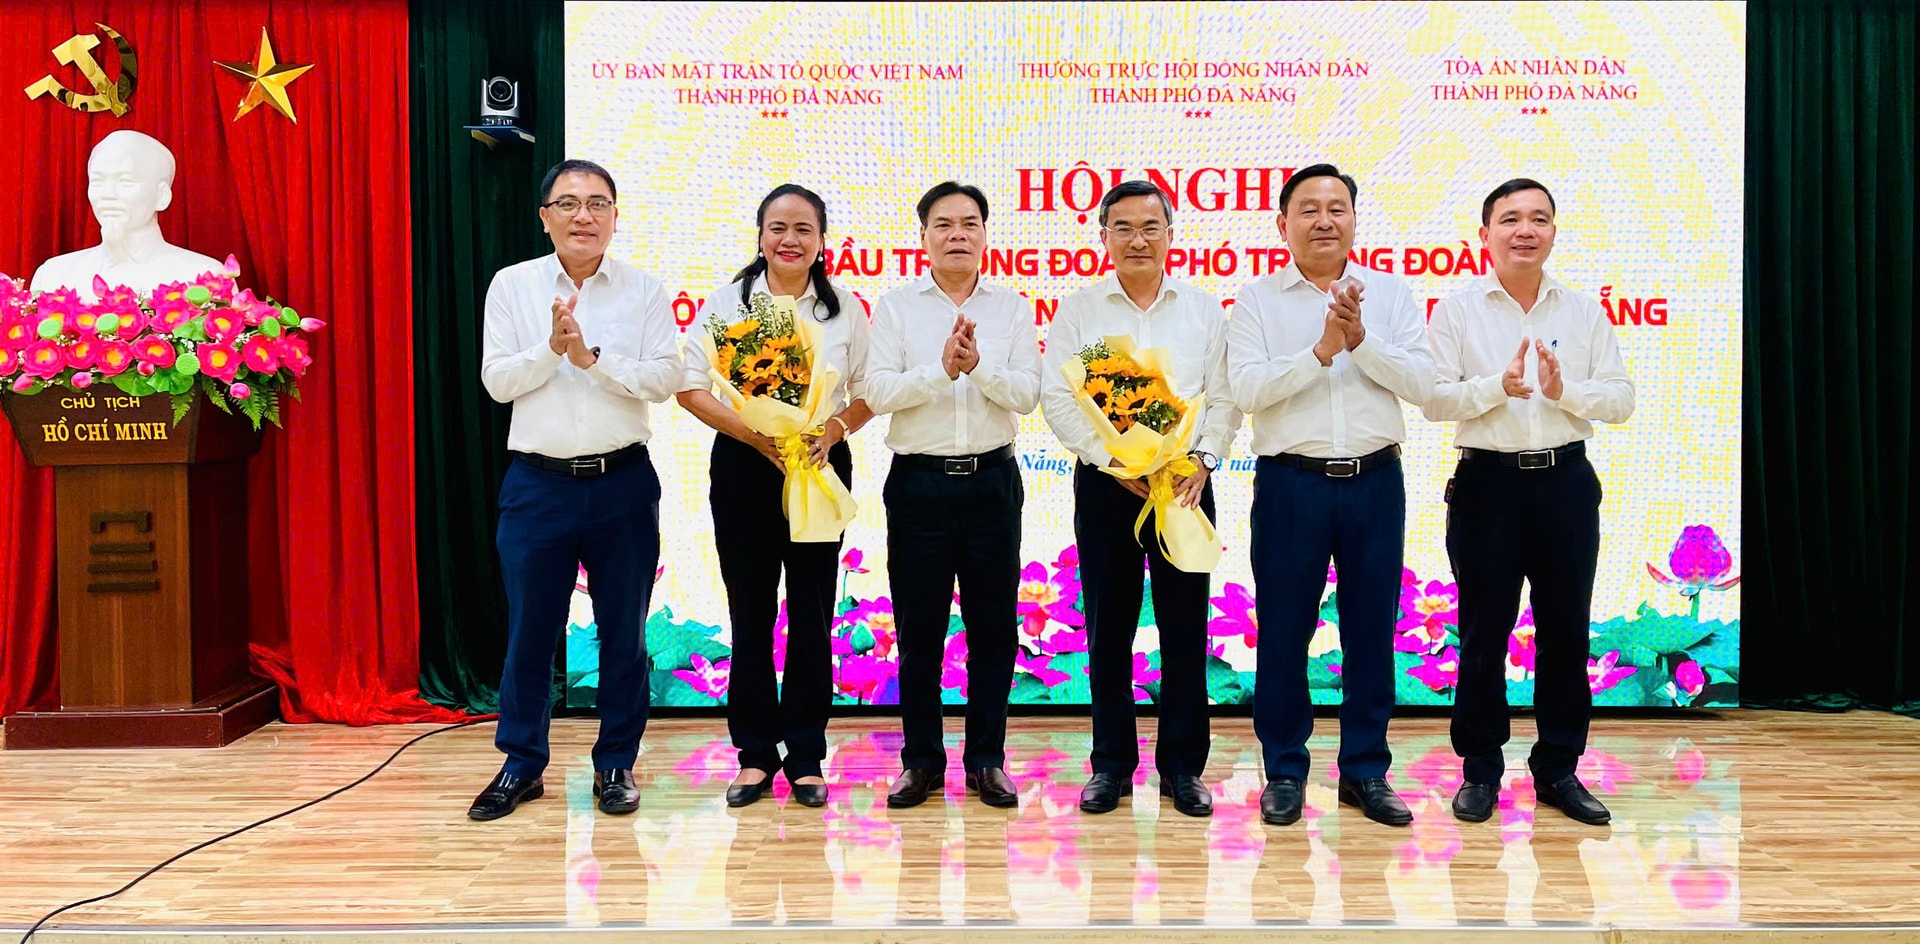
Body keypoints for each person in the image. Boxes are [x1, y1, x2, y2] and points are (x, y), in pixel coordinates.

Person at [469, 159, 681, 820]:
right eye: (567, 203)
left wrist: (592, 360)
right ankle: (521, 763)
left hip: (623, 483)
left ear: (615, 216)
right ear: (545, 217)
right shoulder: (513, 285)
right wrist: (552, 350)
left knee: (624, 634)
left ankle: (616, 763)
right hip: (538, 485)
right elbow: (498, 382)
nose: (582, 216)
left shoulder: (644, 290)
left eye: (597, 204)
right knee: (530, 632)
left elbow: (665, 379)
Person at [1226, 163, 1434, 828]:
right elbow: (1247, 390)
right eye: (1308, 209)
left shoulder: (1390, 294)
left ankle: (1366, 771)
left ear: (1354, 219)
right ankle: (1285, 771)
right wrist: (1321, 351)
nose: (1324, 221)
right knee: (1284, 632)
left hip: (1375, 481)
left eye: (1336, 208)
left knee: (1371, 631)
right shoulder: (1257, 301)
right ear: (1282, 223)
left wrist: (1361, 342)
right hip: (1291, 484)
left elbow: (1424, 386)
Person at [1425, 178, 1634, 826]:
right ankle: (1480, 769)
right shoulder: (1457, 311)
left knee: (1566, 633)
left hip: (1564, 484)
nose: (1525, 230)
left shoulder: (1583, 311)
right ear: (1484, 234)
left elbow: (1621, 399)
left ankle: (1559, 769)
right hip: (1487, 487)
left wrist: (1566, 392)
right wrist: (1498, 385)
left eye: (1539, 219)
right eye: (1511, 218)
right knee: (1483, 634)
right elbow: (1434, 400)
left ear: (1552, 232)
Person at [1039, 180, 1240, 818]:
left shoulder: (1203, 310)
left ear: (1170, 235)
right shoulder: (1079, 312)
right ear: (1103, 238)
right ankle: (1111, 765)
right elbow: (1058, 397)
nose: (1137, 240)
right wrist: (1107, 459)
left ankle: (1183, 768)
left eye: (1150, 227)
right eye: (1122, 228)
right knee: (1108, 629)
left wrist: (1205, 460)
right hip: (1109, 486)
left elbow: (1225, 397)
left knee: (1186, 629)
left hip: (1184, 486)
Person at [676, 183, 872, 809]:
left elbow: (869, 391)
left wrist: (833, 430)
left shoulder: (844, 310)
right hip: (745, 464)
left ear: (822, 241)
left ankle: (807, 755)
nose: (790, 239)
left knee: (813, 612)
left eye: (803, 229)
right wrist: (753, 436)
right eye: (778, 228)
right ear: (760, 237)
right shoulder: (727, 304)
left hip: (817, 464)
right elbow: (689, 386)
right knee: (751, 610)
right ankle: (756, 755)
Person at [865, 181, 1040, 809]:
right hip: (919, 485)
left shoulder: (1012, 308)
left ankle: (987, 760)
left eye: (969, 223)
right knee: (919, 632)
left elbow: (1027, 395)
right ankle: (921, 762)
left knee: (994, 630)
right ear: (924, 237)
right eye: (943, 224)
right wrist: (940, 370)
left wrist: (977, 367)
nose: (957, 234)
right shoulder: (896, 308)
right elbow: (878, 392)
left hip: (992, 482)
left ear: (986, 234)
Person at [30, 130, 222, 297]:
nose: (107, 194)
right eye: (97, 181)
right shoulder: (54, 275)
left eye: (125, 182)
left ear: (162, 195)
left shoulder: (203, 277)